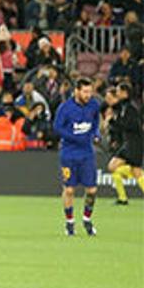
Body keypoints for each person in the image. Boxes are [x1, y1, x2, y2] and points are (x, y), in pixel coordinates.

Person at [52, 78, 101, 235]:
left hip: (87, 153)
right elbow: (57, 127)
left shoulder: (94, 105)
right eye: (85, 92)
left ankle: (87, 219)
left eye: (90, 91)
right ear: (77, 91)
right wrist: (74, 137)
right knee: (69, 190)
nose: (88, 95)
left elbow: (95, 122)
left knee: (92, 190)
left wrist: (96, 134)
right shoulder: (65, 108)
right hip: (69, 154)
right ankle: (70, 222)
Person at [105, 81, 144, 205]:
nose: (116, 93)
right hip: (129, 143)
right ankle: (122, 198)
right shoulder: (124, 107)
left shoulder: (131, 108)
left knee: (135, 171)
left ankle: (123, 198)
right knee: (114, 167)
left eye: (118, 91)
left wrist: (112, 122)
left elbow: (131, 125)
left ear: (125, 93)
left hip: (134, 143)